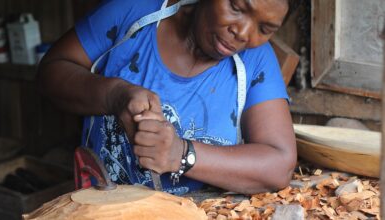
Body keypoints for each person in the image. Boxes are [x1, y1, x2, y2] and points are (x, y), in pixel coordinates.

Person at [37, 0, 297, 196]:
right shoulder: (133, 14)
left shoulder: (256, 60)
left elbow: (279, 165)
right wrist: (114, 95)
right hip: (101, 208)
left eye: (265, 28)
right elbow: (50, 72)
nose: (243, 32)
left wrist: (181, 154)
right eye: (237, 7)